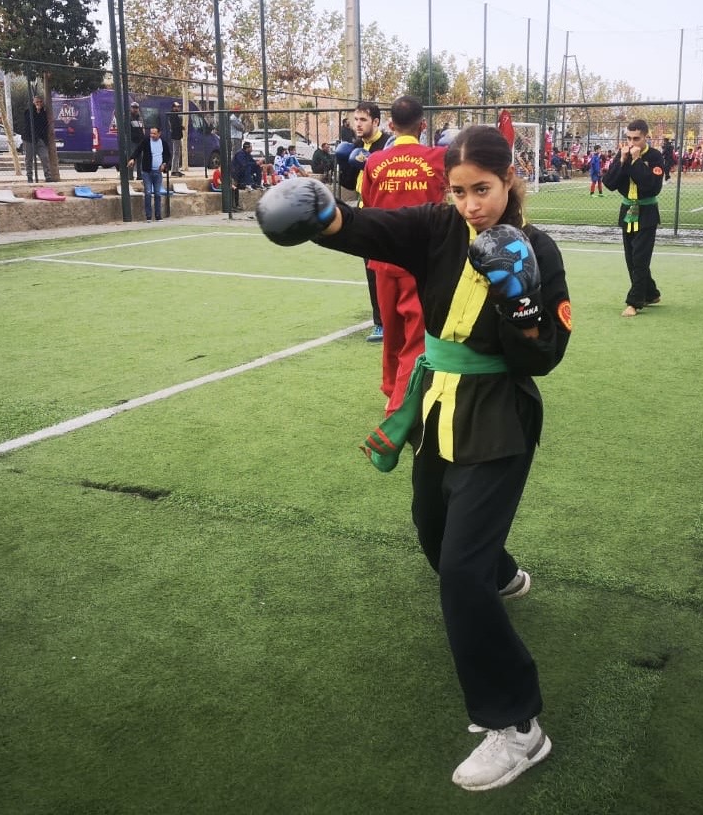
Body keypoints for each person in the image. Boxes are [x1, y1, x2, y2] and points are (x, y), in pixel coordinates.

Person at [254, 124, 572, 792]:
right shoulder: (436, 226)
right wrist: (325, 215)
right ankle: (504, 575)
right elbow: (369, 230)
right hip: (437, 403)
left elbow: (545, 357)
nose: (470, 205)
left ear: (509, 180)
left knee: (459, 573)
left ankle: (517, 724)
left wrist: (521, 309)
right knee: (432, 528)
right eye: (458, 191)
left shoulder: (537, 248)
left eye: (481, 190)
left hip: (499, 415)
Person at [358, 95, 447, 418]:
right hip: (420, 261)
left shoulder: (373, 162)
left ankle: (390, 389)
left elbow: (367, 205)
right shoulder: (439, 158)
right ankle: (400, 402)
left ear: (391, 125)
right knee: (416, 335)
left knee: (391, 331)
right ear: (423, 125)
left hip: (383, 259)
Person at [336, 101, 394, 343]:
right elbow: (349, 184)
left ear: (375, 122)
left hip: (386, 213)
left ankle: (403, 317)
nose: (357, 125)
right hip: (364, 212)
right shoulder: (356, 146)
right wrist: (344, 162)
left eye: (363, 120)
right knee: (371, 271)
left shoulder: (388, 144)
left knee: (394, 270)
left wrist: (372, 162)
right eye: (356, 120)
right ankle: (380, 323)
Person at [603, 119, 665, 317]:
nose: (631, 143)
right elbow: (609, 183)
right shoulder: (622, 154)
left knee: (640, 259)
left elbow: (652, 187)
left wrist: (637, 162)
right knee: (631, 258)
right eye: (628, 138)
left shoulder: (655, 157)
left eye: (636, 138)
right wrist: (622, 161)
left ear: (646, 137)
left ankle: (634, 302)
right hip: (628, 211)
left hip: (647, 213)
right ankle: (651, 293)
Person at [127, 126, 171, 222]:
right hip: (147, 172)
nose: (152, 135)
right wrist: (132, 158)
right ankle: (148, 216)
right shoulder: (146, 141)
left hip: (158, 172)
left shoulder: (163, 143)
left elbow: (167, 155)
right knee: (148, 192)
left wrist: (164, 164)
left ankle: (158, 215)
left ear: (159, 134)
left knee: (157, 193)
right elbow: (138, 150)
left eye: (154, 133)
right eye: (151, 133)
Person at [25, 95, 58, 184]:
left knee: (45, 157)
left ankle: (48, 176)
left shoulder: (44, 113)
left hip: (40, 139)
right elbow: (29, 123)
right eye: (37, 102)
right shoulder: (28, 112)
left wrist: (40, 112)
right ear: (33, 103)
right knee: (29, 159)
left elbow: (44, 124)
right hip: (30, 139)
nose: (39, 104)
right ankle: (29, 177)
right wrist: (36, 111)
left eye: (40, 102)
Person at [126, 102, 146, 181]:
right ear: (131, 108)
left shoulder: (140, 117)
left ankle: (139, 176)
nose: (135, 109)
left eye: (136, 108)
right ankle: (130, 175)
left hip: (140, 141)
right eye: (134, 108)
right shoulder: (128, 117)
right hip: (132, 141)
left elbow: (142, 128)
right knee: (132, 158)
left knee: (140, 158)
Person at [167, 101, 185, 176]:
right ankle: (174, 170)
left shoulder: (175, 115)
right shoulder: (173, 115)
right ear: (173, 107)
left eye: (178, 107)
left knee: (177, 153)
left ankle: (176, 169)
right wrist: (181, 127)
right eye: (177, 107)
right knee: (176, 153)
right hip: (175, 136)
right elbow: (174, 126)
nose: (178, 108)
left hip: (178, 135)